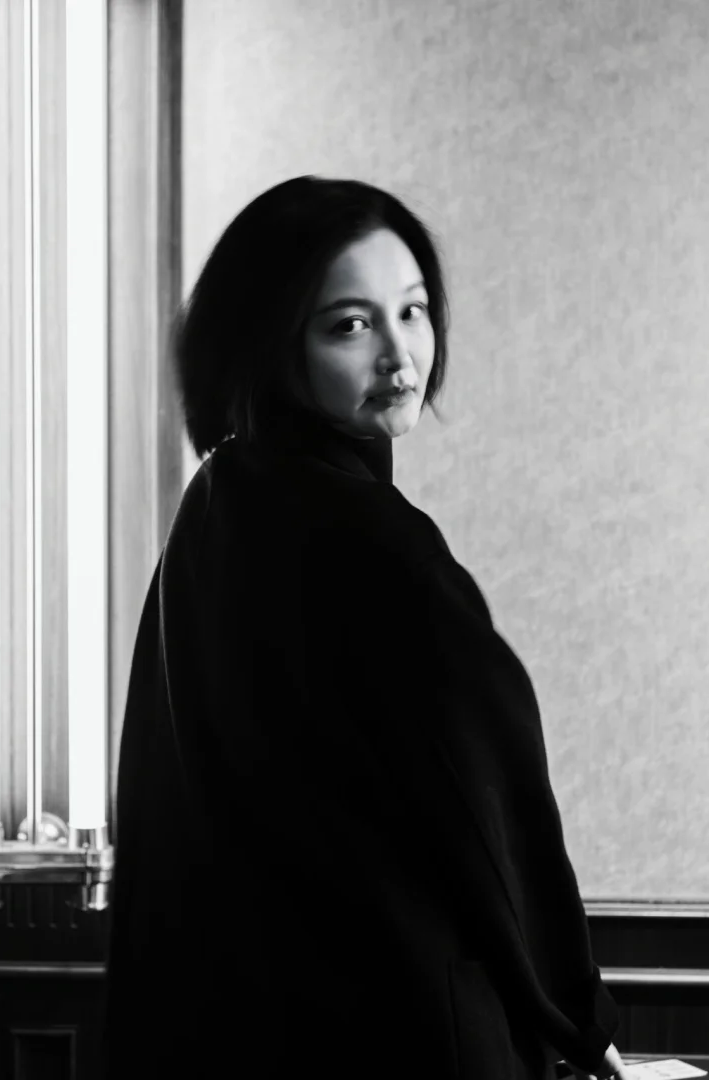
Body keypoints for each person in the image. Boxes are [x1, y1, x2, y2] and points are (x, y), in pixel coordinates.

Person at [101, 175, 629, 1080]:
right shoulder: (377, 545)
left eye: (411, 312)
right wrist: (579, 1021)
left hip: (245, 1034)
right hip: (408, 1031)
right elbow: (492, 809)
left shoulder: (217, 505)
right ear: (272, 342)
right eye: (349, 325)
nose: (398, 355)